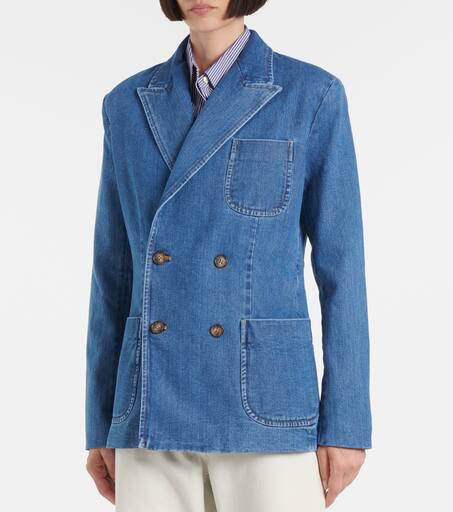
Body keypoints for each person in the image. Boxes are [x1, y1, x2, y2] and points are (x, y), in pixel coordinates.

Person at [84, 1, 372, 510]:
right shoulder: (125, 104)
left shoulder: (311, 94)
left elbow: (342, 270)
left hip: (265, 405)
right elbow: (113, 273)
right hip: (149, 409)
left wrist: (347, 423)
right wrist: (101, 421)